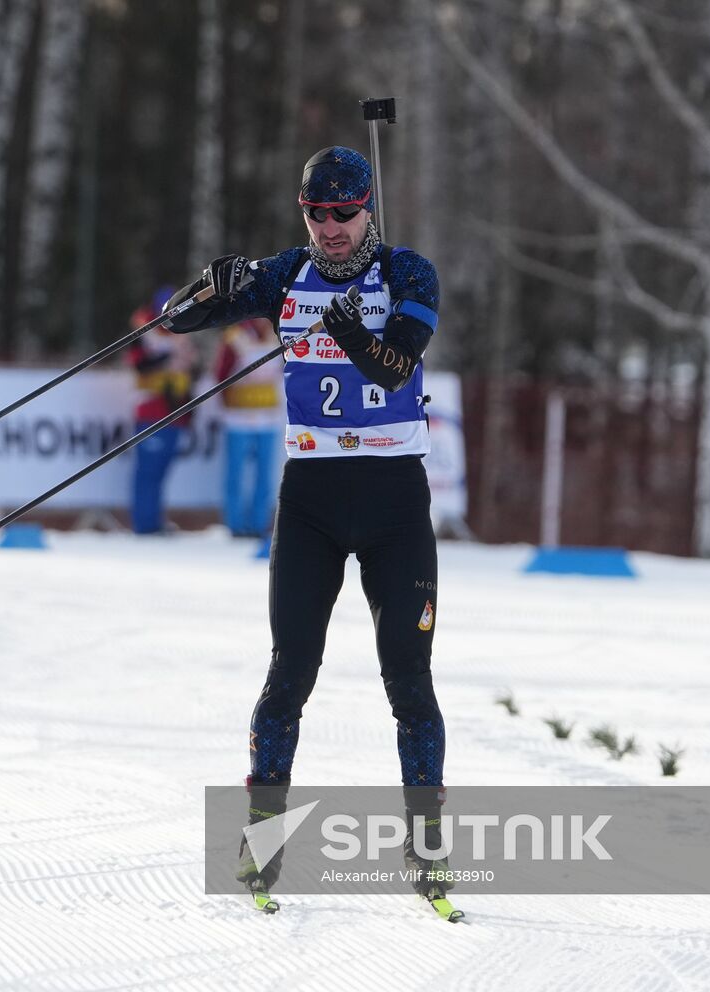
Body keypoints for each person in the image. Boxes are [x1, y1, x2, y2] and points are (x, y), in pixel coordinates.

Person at [163, 146, 447, 908]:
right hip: (313, 500)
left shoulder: (410, 274)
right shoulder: (289, 272)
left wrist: (350, 330)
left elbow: (396, 368)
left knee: (409, 681)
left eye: (343, 215)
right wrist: (207, 287)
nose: (330, 229)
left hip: (393, 501)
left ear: (367, 210)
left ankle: (428, 858)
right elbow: (182, 318)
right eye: (316, 215)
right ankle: (260, 855)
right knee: (289, 673)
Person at [127, 287, 199, 535]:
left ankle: (154, 520)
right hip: (150, 410)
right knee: (147, 471)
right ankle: (144, 524)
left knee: (161, 471)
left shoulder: (182, 331)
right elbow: (138, 364)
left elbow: (191, 368)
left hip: (175, 410)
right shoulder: (143, 331)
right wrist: (164, 359)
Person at [213, 317, 282, 537]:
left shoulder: (276, 334)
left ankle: (259, 524)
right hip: (239, 417)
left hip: (268, 417)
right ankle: (235, 524)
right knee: (236, 474)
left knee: (265, 475)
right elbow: (221, 374)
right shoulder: (235, 337)